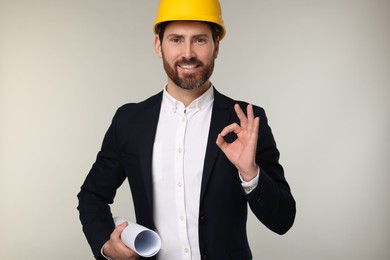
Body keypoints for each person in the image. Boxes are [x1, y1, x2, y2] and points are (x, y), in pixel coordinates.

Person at [77, 0, 296, 259]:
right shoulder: (129, 121)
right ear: (159, 45)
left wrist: (250, 174)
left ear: (216, 47)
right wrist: (107, 246)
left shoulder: (246, 120)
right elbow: (92, 196)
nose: (188, 53)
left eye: (200, 40)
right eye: (176, 39)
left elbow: (282, 220)